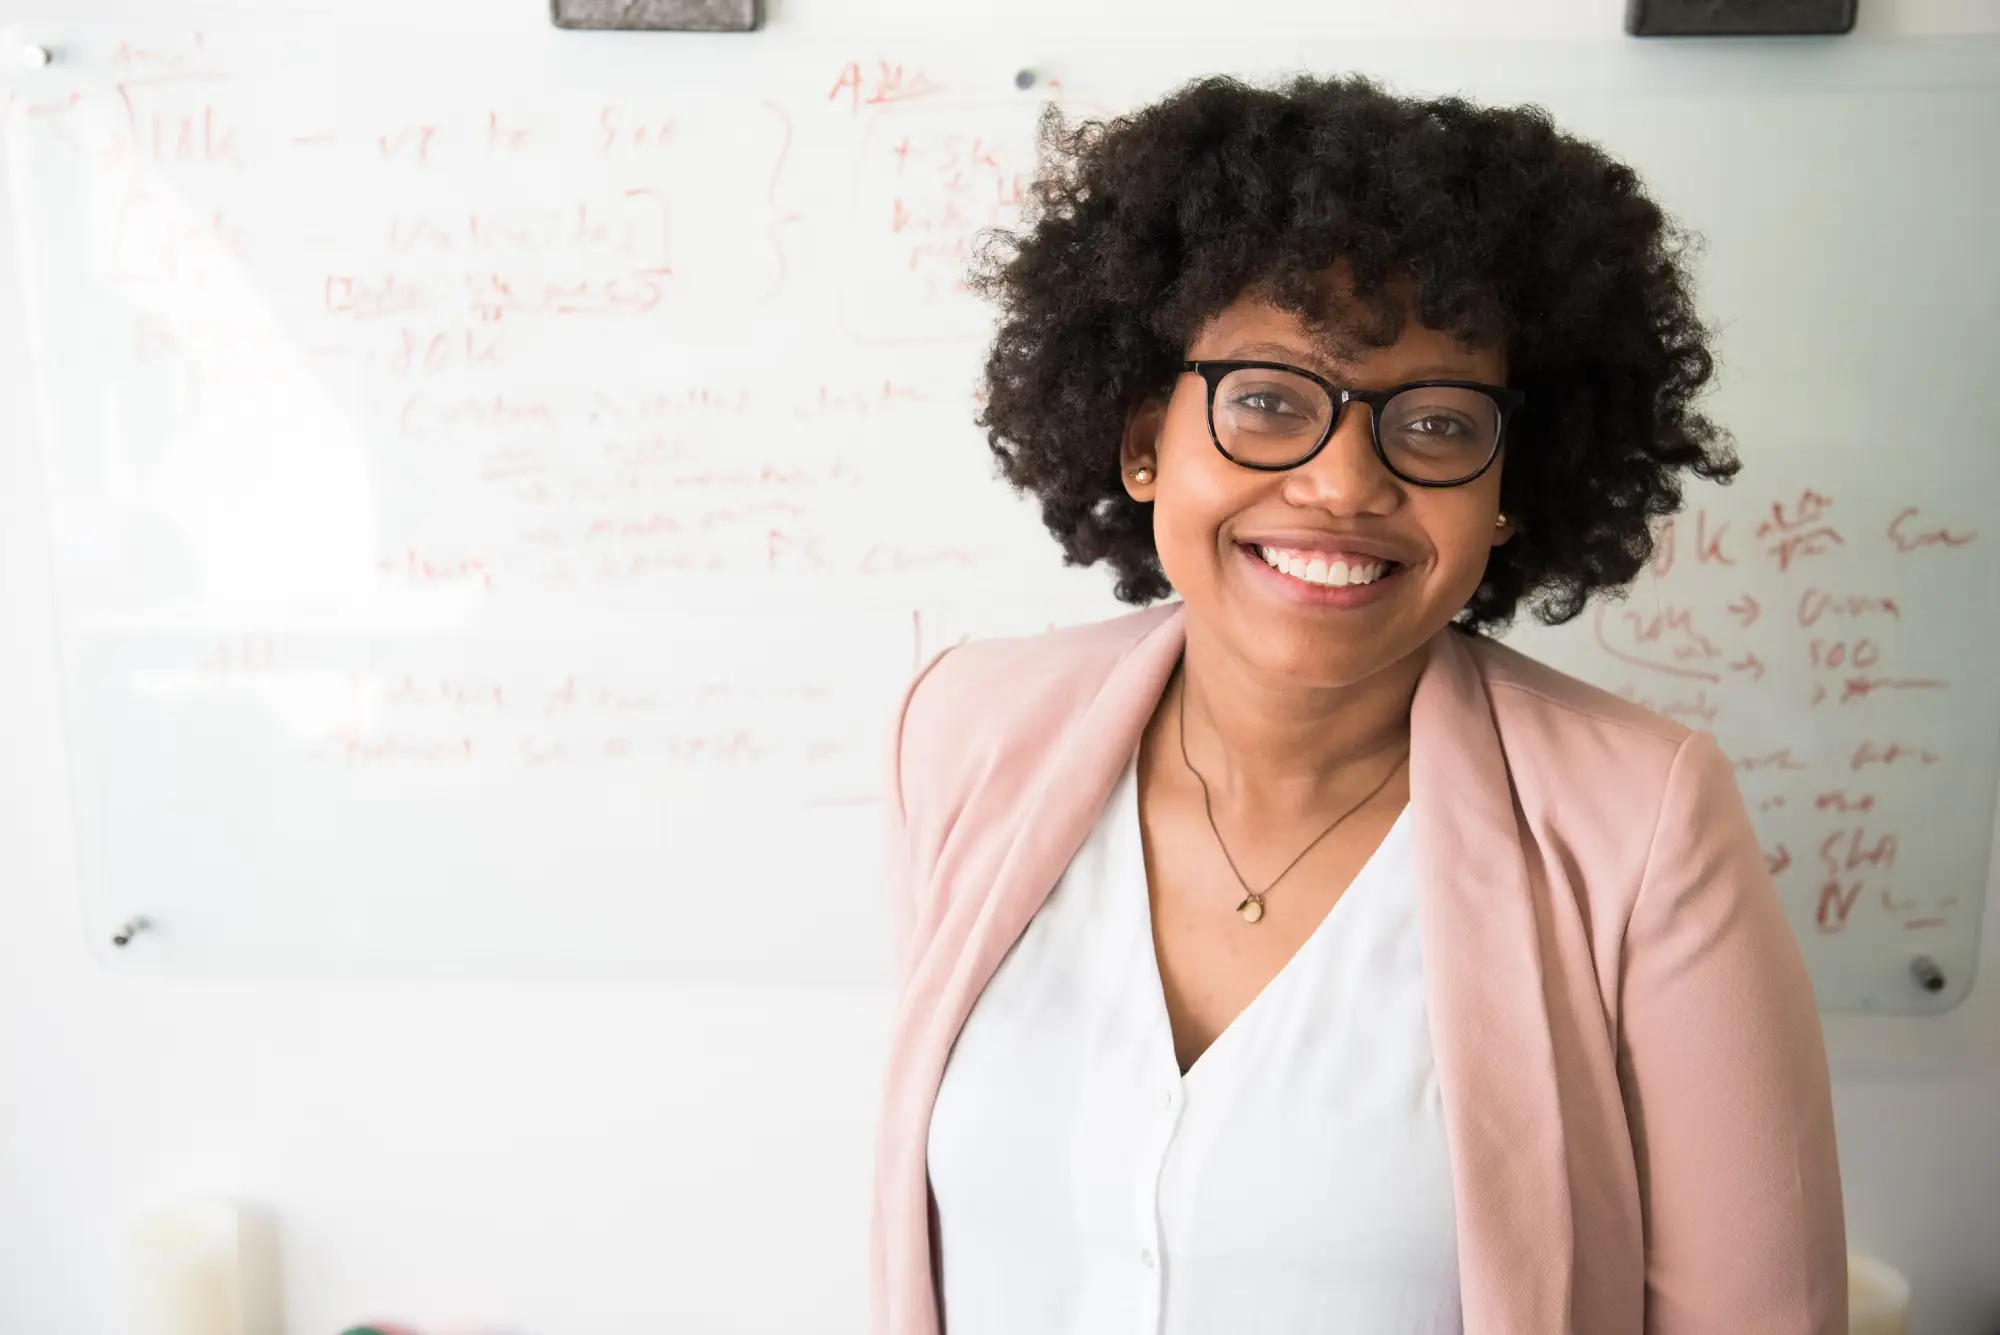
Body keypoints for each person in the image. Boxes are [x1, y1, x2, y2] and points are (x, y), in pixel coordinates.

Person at [869, 73, 1845, 1335]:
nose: (1341, 484)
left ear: (1507, 489)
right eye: (1269, 399)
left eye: (1435, 424)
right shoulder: (960, 735)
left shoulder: (1640, 824)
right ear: (1141, 437)